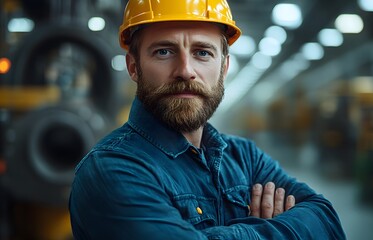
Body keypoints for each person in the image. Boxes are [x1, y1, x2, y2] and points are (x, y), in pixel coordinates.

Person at [69, 0, 346, 239]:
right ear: (134, 67)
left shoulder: (244, 157)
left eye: (202, 53)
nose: (186, 71)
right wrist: (264, 227)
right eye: (164, 51)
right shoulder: (112, 169)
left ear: (224, 67)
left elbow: (326, 220)